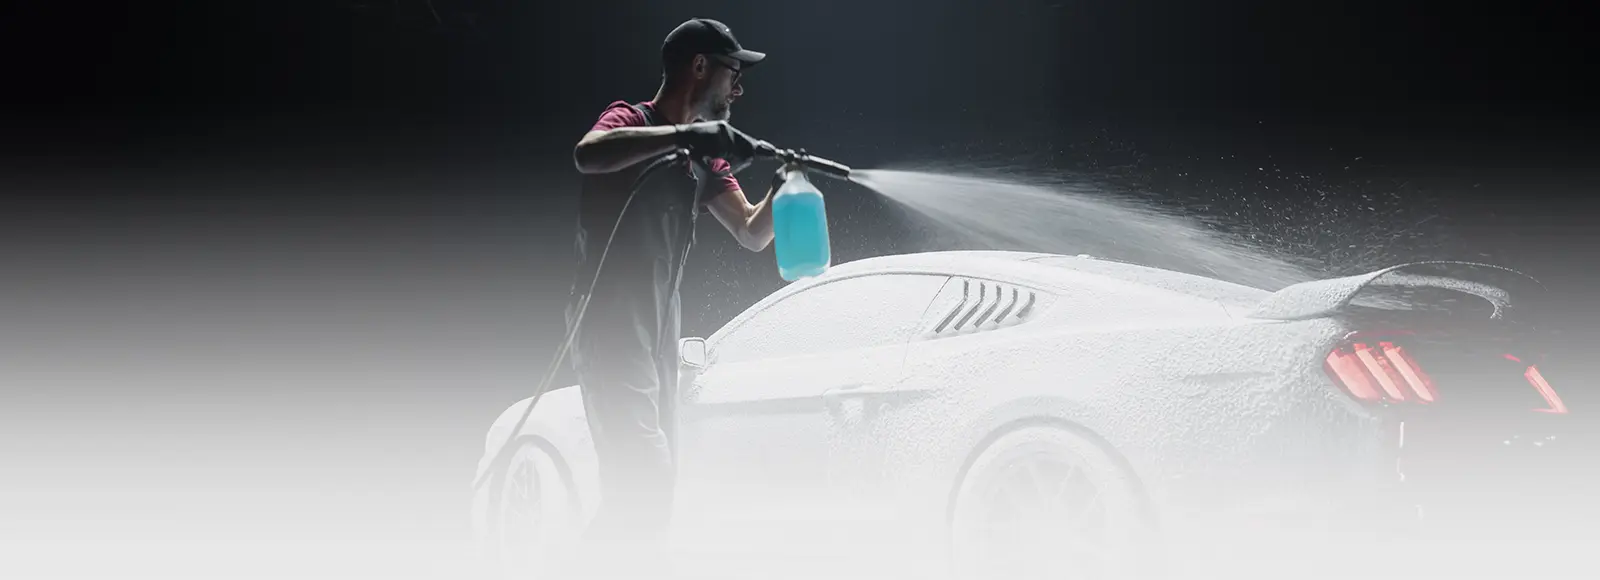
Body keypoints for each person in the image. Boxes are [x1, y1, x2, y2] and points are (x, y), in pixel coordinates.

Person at [563, 17, 778, 576]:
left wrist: (786, 186)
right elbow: (589, 154)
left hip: (660, 331)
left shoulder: (708, 159)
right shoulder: (631, 120)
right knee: (646, 477)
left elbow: (752, 233)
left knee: (653, 489)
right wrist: (687, 135)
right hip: (609, 323)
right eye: (733, 73)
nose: (738, 89)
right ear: (699, 66)